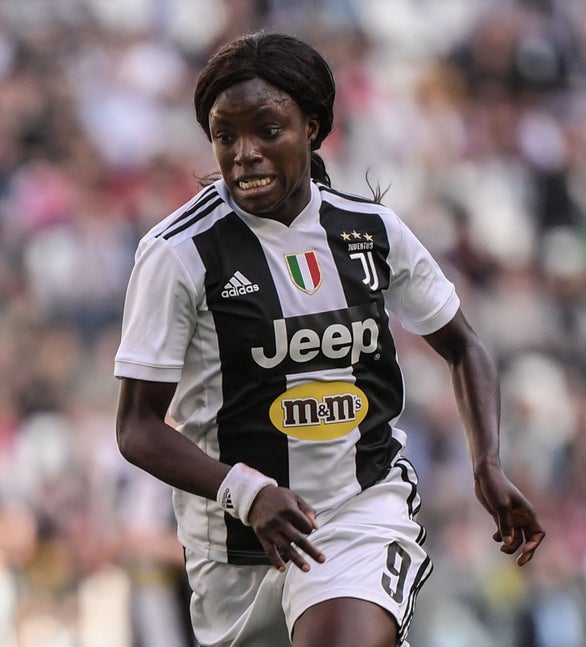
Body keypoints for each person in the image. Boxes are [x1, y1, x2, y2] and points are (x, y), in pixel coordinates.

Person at [113, 31, 545, 647]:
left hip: (356, 512)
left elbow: (464, 345)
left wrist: (487, 463)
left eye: (267, 130)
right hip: (233, 543)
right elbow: (136, 428)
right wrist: (248, 490)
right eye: (225, 136)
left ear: (313, 127)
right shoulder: (177, 254)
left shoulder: (371, 232)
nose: (244, 154)